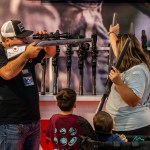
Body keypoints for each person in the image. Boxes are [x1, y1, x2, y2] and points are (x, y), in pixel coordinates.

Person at [0, 20, 56, 150]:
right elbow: (7, 73)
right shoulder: (4, 52)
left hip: (33, 120)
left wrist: (47, 40)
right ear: (8, 40)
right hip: (11, 123)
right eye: (21, 38)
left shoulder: (25, 50)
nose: (25, 40)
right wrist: (26, 55)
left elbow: (50, 53)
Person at [105, 23, 150, 135]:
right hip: (122, 126)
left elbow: (133, 101)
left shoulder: (138, 71)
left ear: (125, 52)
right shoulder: (126, 62)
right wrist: (112, 33)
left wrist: (119, 83)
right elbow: (116, 47)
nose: (116, 52)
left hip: (133, 128)